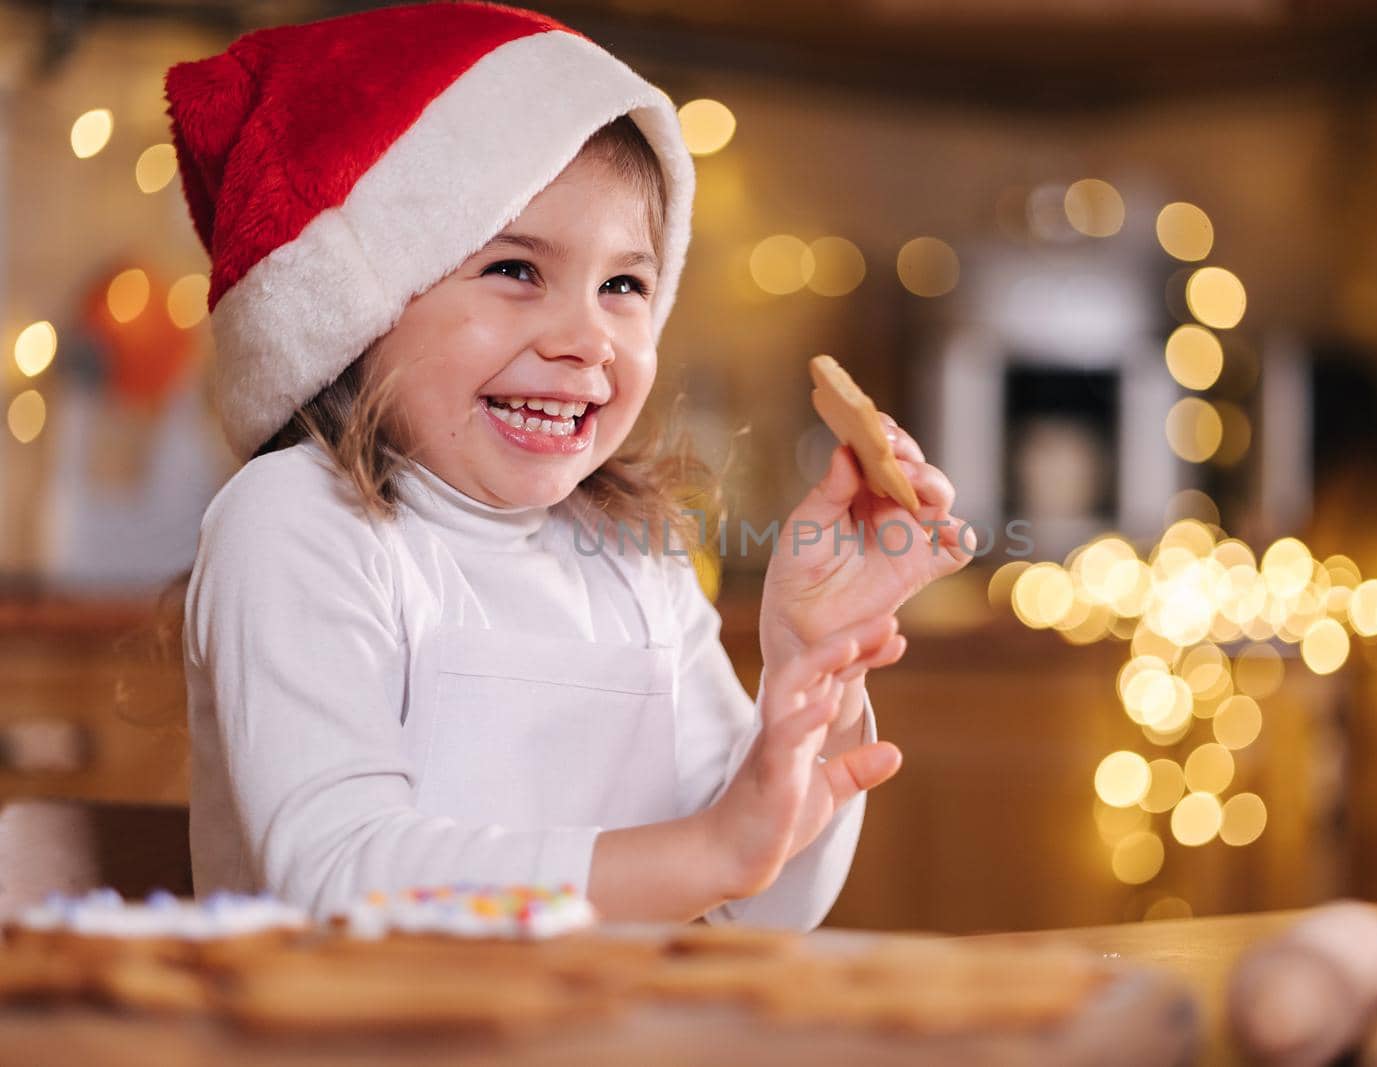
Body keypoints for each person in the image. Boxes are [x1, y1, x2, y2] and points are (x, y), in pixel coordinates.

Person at [168, 1, 971, 929]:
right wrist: (709, 850)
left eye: (624, 284)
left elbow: (756, 908)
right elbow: (341, 874)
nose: (588, 337)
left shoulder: (632, 554)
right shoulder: (292, 519)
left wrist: (815, 661)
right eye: (515, 269)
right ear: (358, 310)